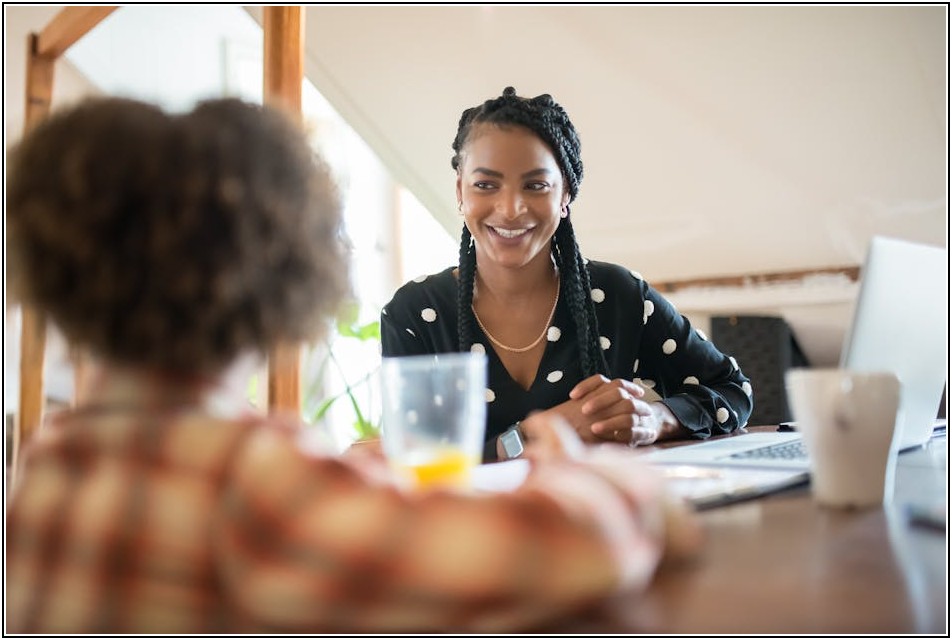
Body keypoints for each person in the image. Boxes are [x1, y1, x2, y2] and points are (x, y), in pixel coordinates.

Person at [5, 96, 700, 634]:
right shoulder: (252, 481)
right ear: (282, 268)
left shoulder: (49, 462)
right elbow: (575, 548)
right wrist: (593, 471)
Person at [381, 87, 754, 462]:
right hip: (471, 520)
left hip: (593, 517)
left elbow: (732, 390)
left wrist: (655, 418)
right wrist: (533, 436)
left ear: (565, 196)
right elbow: (413, 459)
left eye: (536, 185)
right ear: (460, 191)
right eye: (485, 185)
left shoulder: (620, 297)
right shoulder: (415, 314)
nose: (511, 209)